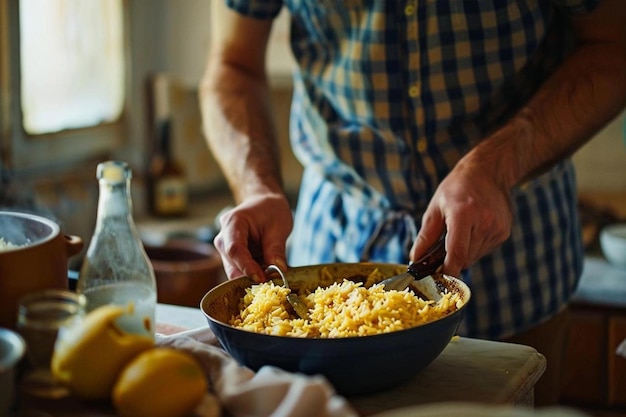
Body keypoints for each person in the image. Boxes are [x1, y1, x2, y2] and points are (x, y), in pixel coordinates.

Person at [199, 0, 626, 405]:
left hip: (517, 245)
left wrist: (497, 164)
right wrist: (257, 188)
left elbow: (614, 45)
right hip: (332, 233)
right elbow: (233, 63)